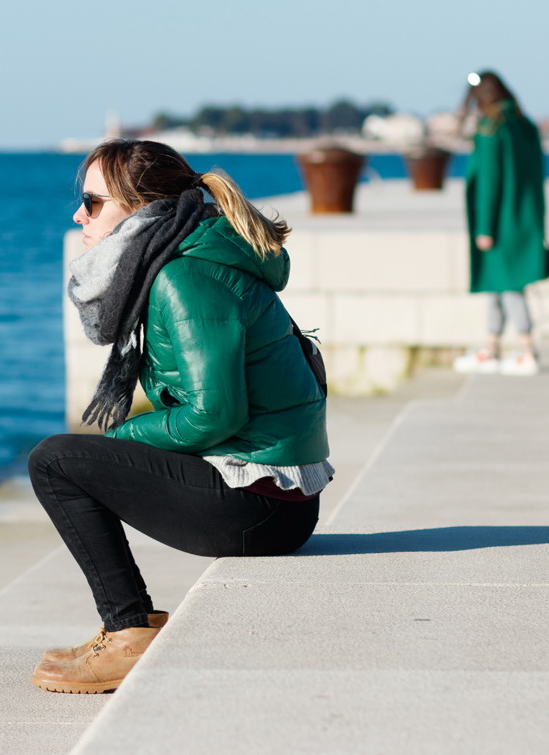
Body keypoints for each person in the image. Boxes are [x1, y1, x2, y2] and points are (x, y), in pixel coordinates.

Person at [28, 140, 331, 694]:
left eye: (93, 203)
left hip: (260, 505)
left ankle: (127, 632)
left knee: (56, 460)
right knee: (71, 457)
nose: (79, 214)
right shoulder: (189, 258)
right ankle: (126, 627)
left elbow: (214, 414)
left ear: (141, 209)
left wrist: (123, 436)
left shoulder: (183, 277)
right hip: (275, 496)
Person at [453, 70, 547, 377]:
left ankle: (527, 348)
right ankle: (491, 347)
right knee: (498, 283)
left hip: (498, 222)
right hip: (522, 218)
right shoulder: (524, 125)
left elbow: (489, 181)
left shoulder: (491, 127)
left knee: (508, 285)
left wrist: (484, 227)